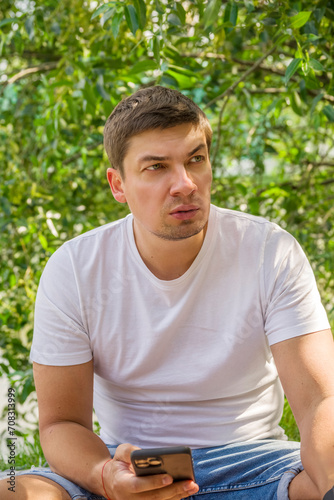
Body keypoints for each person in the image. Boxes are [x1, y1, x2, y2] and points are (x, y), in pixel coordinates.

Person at [0, 86, 333, 500]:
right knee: (14, 491)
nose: (185, 184)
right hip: (123, 461)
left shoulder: (270, 251)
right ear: (118, 185)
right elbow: (60, 424)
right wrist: (106, 476)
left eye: (196, 159)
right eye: (156, 167)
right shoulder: (74, 269)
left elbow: (322, 401)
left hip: (255, 462)